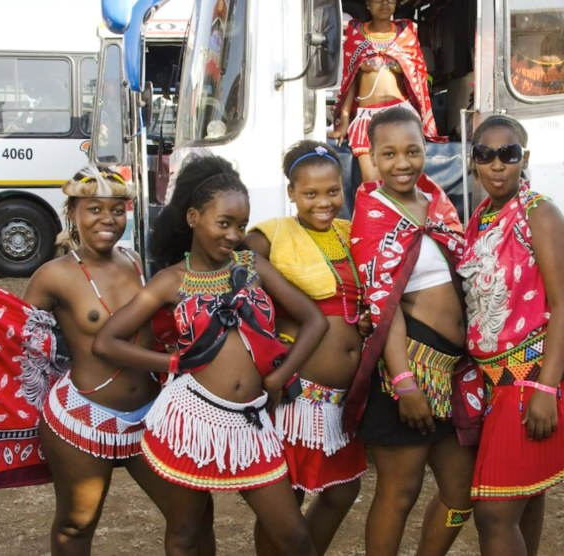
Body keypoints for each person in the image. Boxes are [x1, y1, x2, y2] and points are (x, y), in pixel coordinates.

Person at [91, 155, 328, 555]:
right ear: (193, 217)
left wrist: (278, 375)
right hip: (191, 422)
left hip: (252, 422)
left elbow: (314, 321)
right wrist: (170, 364)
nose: (234, 235)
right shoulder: (171, 282)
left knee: (294, 537)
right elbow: (107, 342)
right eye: (224, 223)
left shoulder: (253, 266)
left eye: (240, 225)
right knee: (186, 534)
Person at [23, 167, 213, 556]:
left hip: (148, 416)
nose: (107, 220)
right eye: (94, 209)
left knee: (193, 514)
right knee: (76, 525)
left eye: (116, 210)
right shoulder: (52, 276)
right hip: (82, 418)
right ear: (72, 212)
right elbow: (18, 337)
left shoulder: (133, 261)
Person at [344, 107, 482, 555]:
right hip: (408, 371)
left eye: (412, 151)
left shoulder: (436, 201)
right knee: (399, 494)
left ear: (427, 149)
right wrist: (405, 385)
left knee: (461, 497)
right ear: (373, 157)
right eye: (389, 154)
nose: (402, 163)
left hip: (453, 371)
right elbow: (386, 309)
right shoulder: (373, 217)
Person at [457, 115, 564, 556]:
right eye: (486, 154)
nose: (497, 165)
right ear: (473, 161)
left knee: (494, 513)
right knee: (526, 498)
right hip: (499, 384)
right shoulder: (480, 217)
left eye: (508, 154)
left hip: (532, 376)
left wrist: (544, 388)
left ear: (524, 159)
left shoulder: (541, 214)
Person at [243, 141, 368, 554]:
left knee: (342, 490)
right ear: (292, 193)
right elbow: (237, 289)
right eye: (310, 194)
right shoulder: (270, 234)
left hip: (344, 397)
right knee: (285, 499)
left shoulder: (354, 233)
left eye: (332, 191)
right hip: (297, 394)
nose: (323, 202)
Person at [329, 0, 442, 183]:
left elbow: (417, 75)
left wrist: (400, 65)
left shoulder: (406, 34)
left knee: (402, 176)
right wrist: (343, 120)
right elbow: (349, 80)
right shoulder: (356, 33)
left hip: (401, 114)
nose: (384, 3)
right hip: (367, 116)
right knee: (371, 180)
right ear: (367, 3)